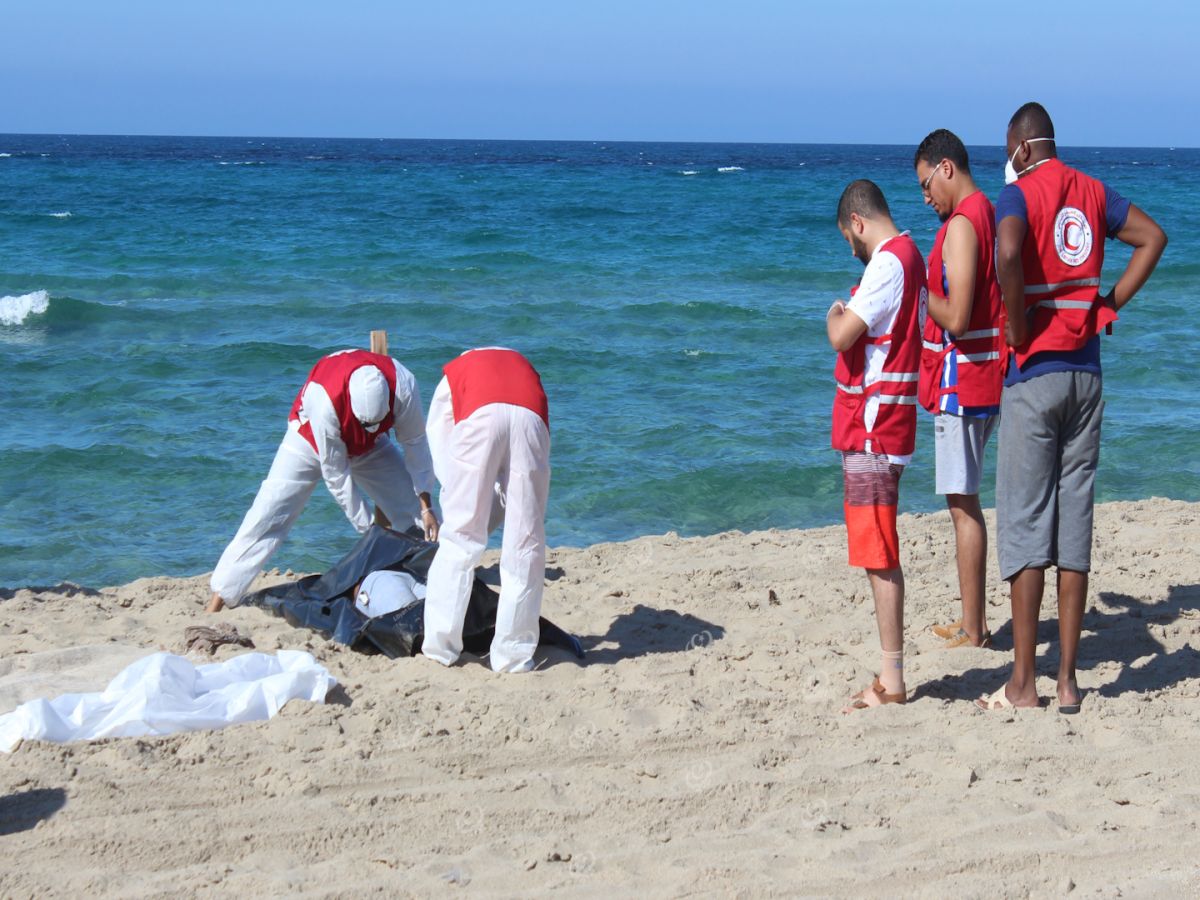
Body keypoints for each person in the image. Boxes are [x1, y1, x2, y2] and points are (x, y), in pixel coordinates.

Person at [978, 102, 1166, 711]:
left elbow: (1008, 255)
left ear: (1023, 149)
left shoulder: (1020, 195)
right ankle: (1067, 682)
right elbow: (1152, 238)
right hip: (1087, 373)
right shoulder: (1091, 191)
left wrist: (1013, 324)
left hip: (1035, 374)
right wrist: (1109, 303)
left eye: (1009, 151)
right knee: (1074, 523)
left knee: (1027, 522)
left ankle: (1023, 682)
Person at [207, 349, 439, 612]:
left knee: (416, 511)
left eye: (377, 422)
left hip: (370, 446)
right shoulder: (324, 399)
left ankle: (434, 580)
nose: (372, 426)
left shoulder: (404, 386)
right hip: (310, 440)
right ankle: (220, 596)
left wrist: (426, 505)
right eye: (367, 423)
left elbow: (416, 444)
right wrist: (370, 531)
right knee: (269, 513)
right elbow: (336, 475)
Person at [827, 180, 926, 711]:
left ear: (859, 222)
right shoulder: (912, 259)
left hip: (874, 426)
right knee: (878, 549)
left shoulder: (888, 263)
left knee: (878, 551)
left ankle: (892, 678)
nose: (853, 248)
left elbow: (844, 336)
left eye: (850, 239)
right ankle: (892, 671)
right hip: (891, 423)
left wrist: (834, 313)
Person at [913, 129, 1006, 649]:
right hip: (981, 377)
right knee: (963, 499)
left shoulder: (963, 225)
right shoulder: (984, 212)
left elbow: (961, 315)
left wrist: (921, 295)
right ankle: (974, 620)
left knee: (961, 503)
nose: (926, 198)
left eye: (927, 185)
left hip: (962, 381)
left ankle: (974, 626)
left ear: (947, 168)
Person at [421, 347, 551, 674]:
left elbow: (438, 438)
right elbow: (538, 430)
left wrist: (458, 492)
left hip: (481, 417)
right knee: (526, 542)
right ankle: (513, 656)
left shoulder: (457, 372)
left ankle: (441, 649)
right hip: (531, 417)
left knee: (460, 538)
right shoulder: (524, 366)